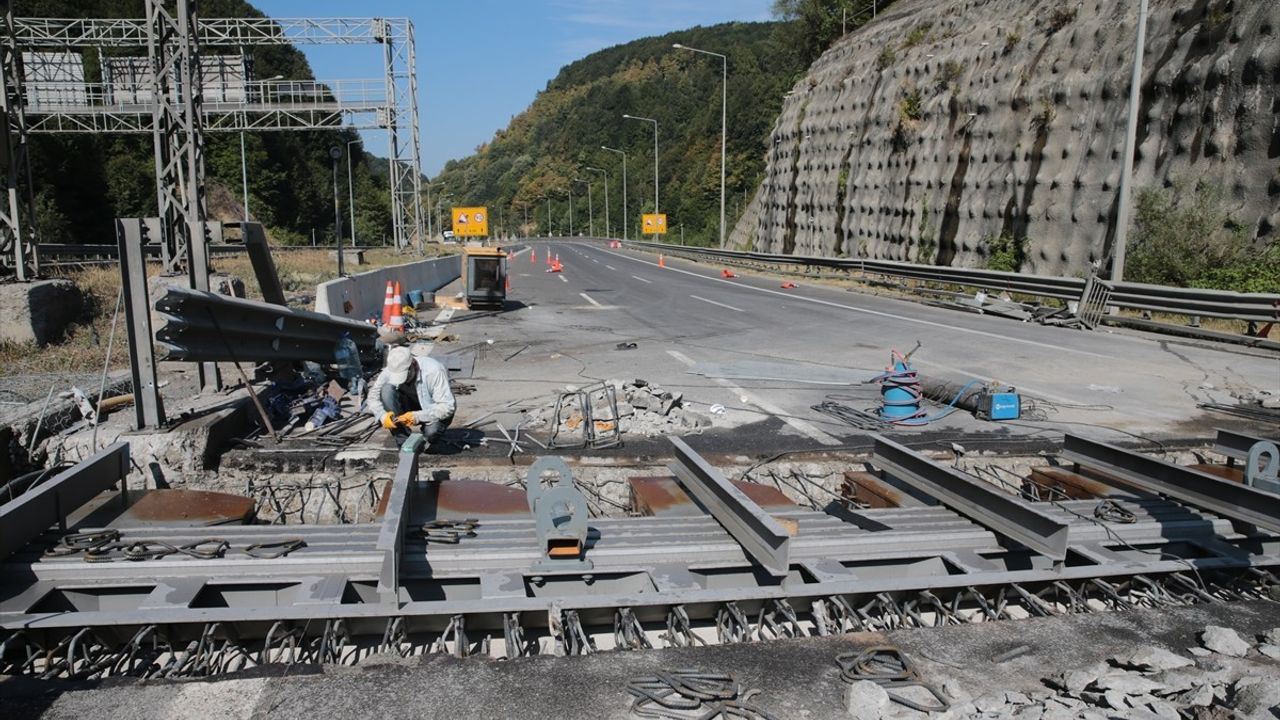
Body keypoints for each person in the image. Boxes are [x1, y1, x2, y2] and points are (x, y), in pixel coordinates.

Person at [367, 346, 455, 446]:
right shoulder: (391, 369)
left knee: (432, 433)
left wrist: (417, 416)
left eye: (405, 376)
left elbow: (447, 407)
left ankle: (428, 440)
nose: (403, 380)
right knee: (386, 391)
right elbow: (372, 397)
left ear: (413, 365)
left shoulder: (434, 370)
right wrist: (382, 415)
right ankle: (403, 441)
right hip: (409, 403)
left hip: (432, 408)